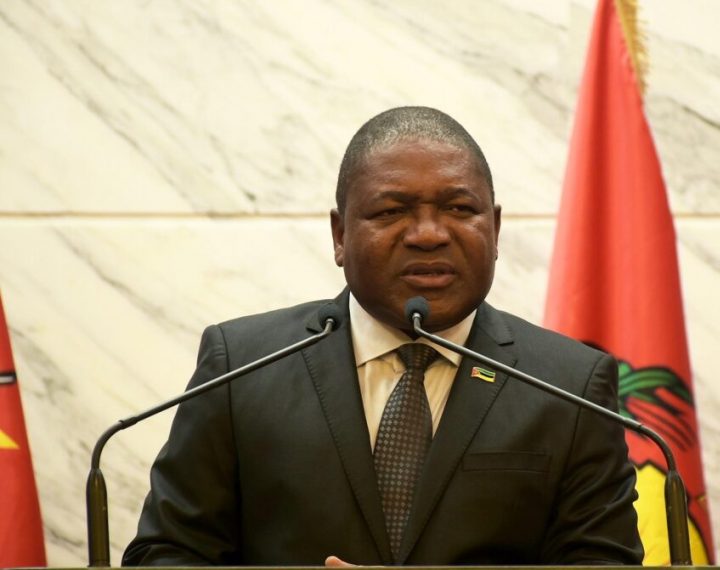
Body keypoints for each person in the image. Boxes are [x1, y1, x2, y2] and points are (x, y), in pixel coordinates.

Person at [123, 106, 643, 566]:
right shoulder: (243, 365)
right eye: (392, 211)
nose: (428, 234)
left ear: (496, 229)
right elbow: (168, 553)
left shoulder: (569, 384)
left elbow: (602, 562)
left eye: (460, 209)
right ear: (340, 235)